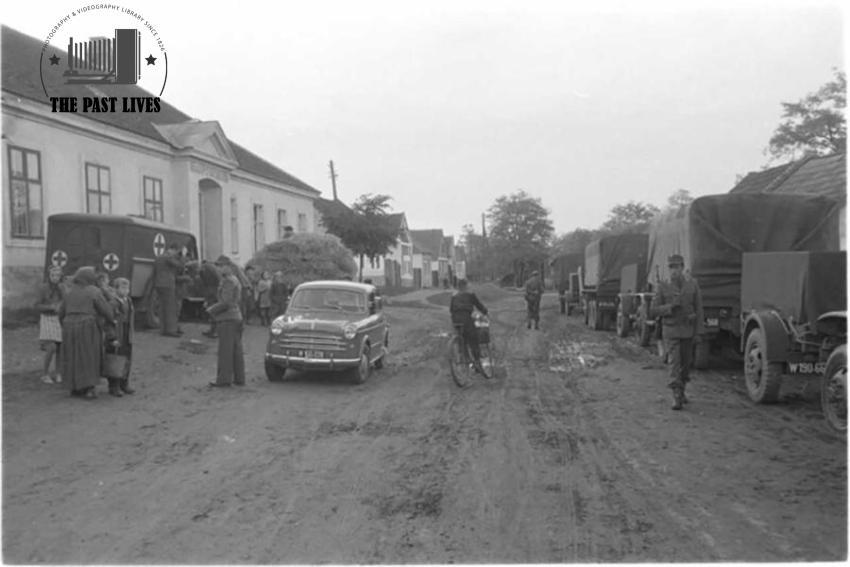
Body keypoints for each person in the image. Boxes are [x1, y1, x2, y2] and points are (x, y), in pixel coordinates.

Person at [651, 254, 705, 410]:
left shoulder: (692, 284)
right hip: (671, 330)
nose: (674, 270)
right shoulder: (663, 286)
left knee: (686, 364)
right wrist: (670, 307)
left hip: (688, 330)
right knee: (674, 363)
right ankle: (676, 395)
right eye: (671, 267)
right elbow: (653, 310)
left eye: (677, 267)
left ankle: (682, 390)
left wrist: (699, 332)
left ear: (682, 267)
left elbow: (699, 309)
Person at [58, 267, 114, 399]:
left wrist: (66, 326)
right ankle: (89, 388)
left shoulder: (70, 291)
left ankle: (74, 388)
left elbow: (61, 313)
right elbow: (106, 311)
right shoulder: (93, 291)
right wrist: (110, 315)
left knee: (72, 357)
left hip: (68, 327)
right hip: (87, 326)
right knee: (89, 356)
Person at [207, 255, 245, 388]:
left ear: (228, 266)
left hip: (227, 318)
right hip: (236, 317)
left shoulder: (228, 281)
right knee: (236, 350)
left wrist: (211, 310)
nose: (218, 268)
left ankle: (223, 379)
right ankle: (239, 378)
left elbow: (226, 302)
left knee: (225, 351)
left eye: (220, 266)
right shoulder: (234, 279)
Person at [449, 278, 489, 372]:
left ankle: (466, 359)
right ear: (465, 286)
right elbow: (479, 305)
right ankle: (477, 363)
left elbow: (451, 309)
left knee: (462, 338)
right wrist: (486, 312)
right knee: (473, 339)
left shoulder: (454, 295)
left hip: (455, 320)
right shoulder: (470, 295)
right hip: (466, 319)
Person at [35, 266, 66, 384]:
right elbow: (37, 305)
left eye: (58, 275)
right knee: (51, 347)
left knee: (60, 346)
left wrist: (61, 306)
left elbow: (65, 301)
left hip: (59, 319)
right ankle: (45, 374)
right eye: (53, 275)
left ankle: (58, 372)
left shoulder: (62, 288)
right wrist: (51, 307)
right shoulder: (43, 288)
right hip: (47, 318)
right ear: (49, 276)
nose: (55, 278)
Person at [106, 277, 135, 396]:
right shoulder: (112, 303)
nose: (126, 290)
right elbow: (108, 322)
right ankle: (114, 386)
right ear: (116, 289)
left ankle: (124, 383)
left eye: (127, 288)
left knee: (127, 359)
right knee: (115, 360)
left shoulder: (129, 301)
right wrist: (112, 338)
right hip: (117, 334)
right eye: (123, 288)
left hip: (127, 334)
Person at [153, 242, 185, 337]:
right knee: (170, 308)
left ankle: (163, 329)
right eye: (177, 251)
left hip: (159, 284)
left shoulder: (159, 257)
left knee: (162, 308)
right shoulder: (168, 257)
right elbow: (180, 265)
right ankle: (171, 330)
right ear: (174, 250)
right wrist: (182, 256)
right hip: (167, 284)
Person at [199, 259, 222, 338]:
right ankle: (214, 330)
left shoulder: (204, 268)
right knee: (215, 311)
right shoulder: (215, 269)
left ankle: (214, 331)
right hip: (215, 291)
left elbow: (203, 280)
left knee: (212, 311)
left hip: (211, 291)